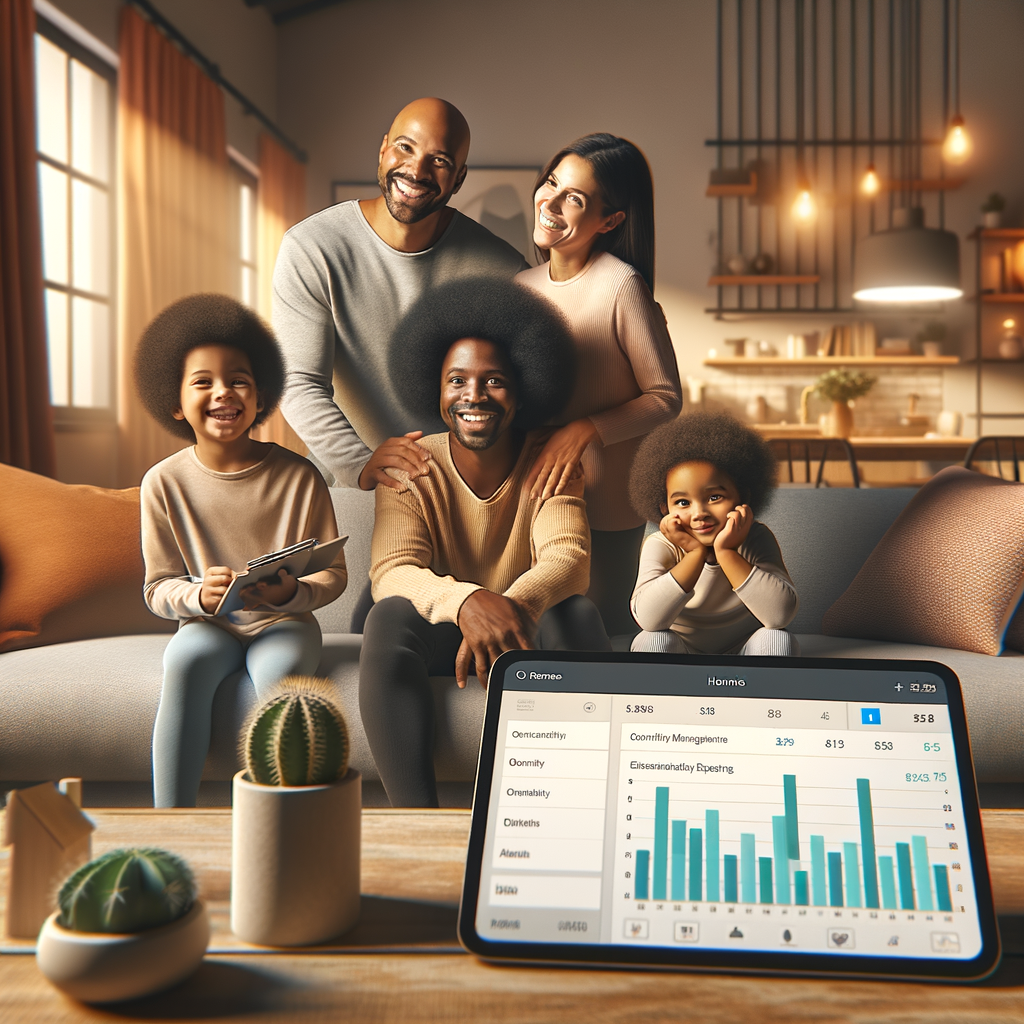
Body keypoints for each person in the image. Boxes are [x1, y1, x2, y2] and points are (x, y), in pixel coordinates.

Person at [360, 278, 610, 807]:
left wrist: (510, 609)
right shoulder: (411, 462)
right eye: (457, 381)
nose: (473, 395)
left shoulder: (551, 462)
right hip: (444, 635)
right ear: (438, 391)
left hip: (525, 632)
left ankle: (571, 810)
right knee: (387, 617)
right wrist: (468, 603)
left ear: (522, 394)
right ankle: (417, 823)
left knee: (580, 615)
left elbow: (570, 558)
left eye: (493, 380)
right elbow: (392, 570)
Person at [135, 295, 348, 807]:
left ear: (260, 396)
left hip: (284, 624)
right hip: (209, 625)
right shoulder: (161, 483)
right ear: (175, 401)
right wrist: (197, 598)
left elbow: (334, 573)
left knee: (279, 682)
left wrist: (294, 591)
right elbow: (157, 588)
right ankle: (170, 823)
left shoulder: (300, 475)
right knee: (184, 664)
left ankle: (281, 825)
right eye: (202, 381)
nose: (222, 393)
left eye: (239, 380)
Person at [272, 97, 528, 496]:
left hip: (460, 487)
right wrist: (360, 464)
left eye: (439, 160)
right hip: (350, 477)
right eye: (405, 147)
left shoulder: (502, 269)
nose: (416, 169)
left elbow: (518, 394)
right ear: (383, 149)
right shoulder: (312, 247)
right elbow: (298, 382)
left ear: (458, 179)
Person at [516, 133, 682, 638]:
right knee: (536, 636)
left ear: (610, 221)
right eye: (552, 183)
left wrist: (585, 429)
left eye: (576, 198)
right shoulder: (520, 287)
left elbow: (666, 398)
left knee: (596, 638)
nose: (552, 201)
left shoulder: (620, 285)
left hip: (607, 505)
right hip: (535, 496)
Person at [627, 411, 798, 656]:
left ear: (743, 497)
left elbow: (779, 616)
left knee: (777, 640)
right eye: (683, 503)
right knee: (651, 641)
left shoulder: (755, 537)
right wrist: (695, 553)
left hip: (746, 650)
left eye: (714, 497)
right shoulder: (661, 545)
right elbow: (649, 620)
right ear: (665, 508)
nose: (699, 513)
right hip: (682, 650)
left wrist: (726, 551)